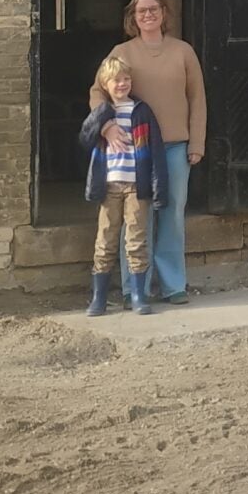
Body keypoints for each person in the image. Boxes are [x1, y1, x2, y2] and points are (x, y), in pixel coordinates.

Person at [109, 0, 205, 304]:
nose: (148, 15)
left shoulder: (183, 51)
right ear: (133, 18)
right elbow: (98, 92)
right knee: (136, 218)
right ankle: (135, 286)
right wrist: (109, 128)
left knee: (172, 214)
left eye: (154, 9)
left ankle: (173, 285)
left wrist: (197, 142)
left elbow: (197, 99)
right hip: (138, 149)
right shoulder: (122, 54)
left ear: (164, 13)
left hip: (176, 146)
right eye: (141, 11)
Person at [78, 54, 164, 317]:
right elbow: (84, 137)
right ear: (105, 83)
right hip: (110, 186)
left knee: (136, 240)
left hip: (137, 186)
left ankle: (138, 295)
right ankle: (99, 298)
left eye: (126, 79)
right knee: (105, 240)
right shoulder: (102, 113)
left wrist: (158, 187)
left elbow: (156, 150)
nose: (122, 84)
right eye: (116, 80)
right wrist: (103, 124)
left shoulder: (142, 111)